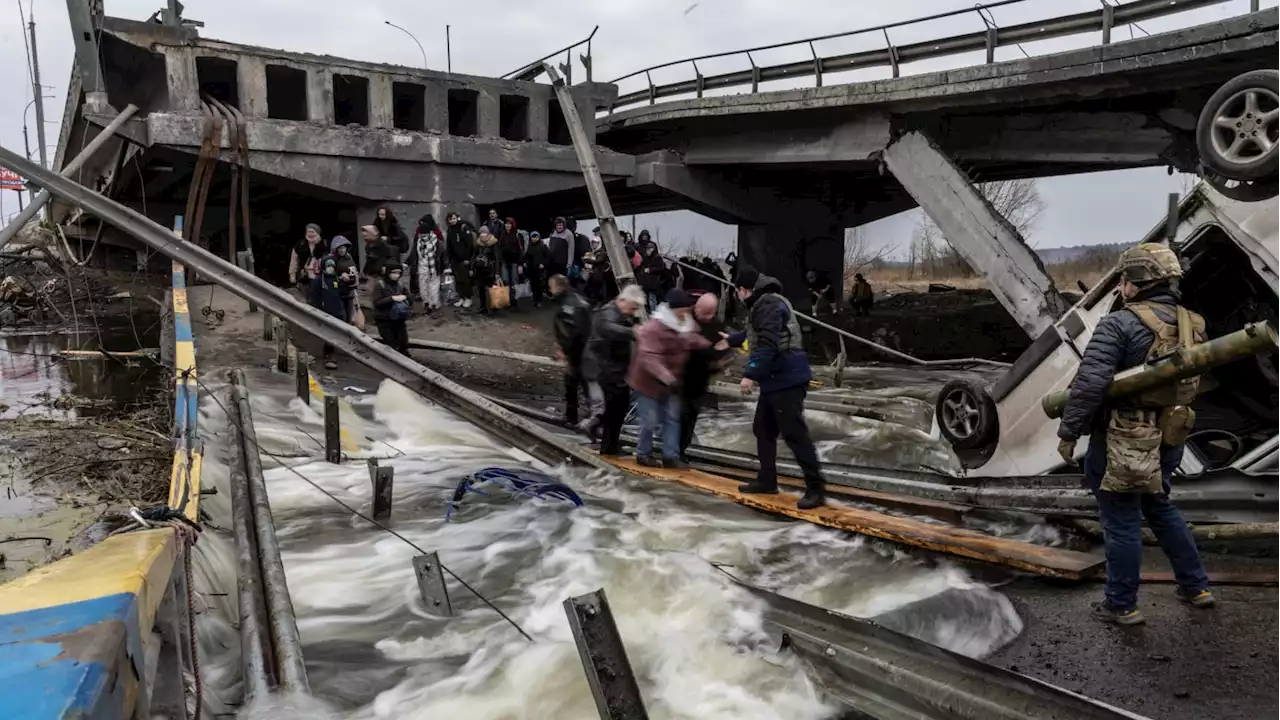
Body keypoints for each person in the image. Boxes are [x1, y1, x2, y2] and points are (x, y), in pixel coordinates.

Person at [1055, 243, 1214, 626]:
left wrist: (1068, 432)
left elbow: (1090, 385)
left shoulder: (1119, 324)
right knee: (1160, 506)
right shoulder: (1194, 323)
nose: (1121, 285)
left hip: (1122, 437)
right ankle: (1197, 587)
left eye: (1125, 278)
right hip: (1170, 434)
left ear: (1138, 282)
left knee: (1121, 519)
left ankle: (1121, 605)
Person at [729, 266, 827, 509]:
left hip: (787, 379)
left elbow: (768, 343)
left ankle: (816, 488)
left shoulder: (768, 305)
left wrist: (750, 374)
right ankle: (767, 480)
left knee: (794, 434)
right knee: (763, 428)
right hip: (776, 379)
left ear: (745, 290)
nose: (738, 296)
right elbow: (756, 332)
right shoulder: (765, 303)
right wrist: (731, 339)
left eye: (738, 291)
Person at [627, 289, 711, 468]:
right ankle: (643, 454)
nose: (686, 313)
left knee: (673, 418)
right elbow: (649, 357)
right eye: (683, 309)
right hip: (648, 383)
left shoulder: (685, 325)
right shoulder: (654, 328)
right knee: (649, 420)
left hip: (671, 382)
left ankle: (670, 456)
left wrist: (712, 347)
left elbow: (692, 339)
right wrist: (667, 378)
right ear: (673, 309)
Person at [584, 285, 645, 455]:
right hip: (605, 369)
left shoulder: (621, 314)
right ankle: (607, 445)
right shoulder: (608, 313)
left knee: (620, 407)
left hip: (615, 369)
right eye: (633, 308)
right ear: (623, 301)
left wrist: (635, 320)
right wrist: (633, 332)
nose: (633, 312)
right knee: (614, 409)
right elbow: (610, 329)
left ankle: (608, 439)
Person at [680, 293, 731, 460]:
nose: (708, 317)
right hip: (681, 377)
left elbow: (724, 347)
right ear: (697, 308)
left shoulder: (715, 324)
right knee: (679, 417)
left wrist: (722, 359)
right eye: (705, 313)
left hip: (701, 378)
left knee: (691, 417)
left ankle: (682, 450)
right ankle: (673, 453)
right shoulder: (685, 320)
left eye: (712, 313)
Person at [550, 274, 593, 425]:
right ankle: (582, 415)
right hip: (585, 349)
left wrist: (565, 351)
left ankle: (575, 416)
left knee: (575, 384)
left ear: (558, 286)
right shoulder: (578, 298)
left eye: (552, 286)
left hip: (577, 352)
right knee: (581, 384)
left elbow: (573, 332)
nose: (550, 290)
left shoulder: (568, 305)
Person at [309, 257, 346, 370]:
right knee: (328, 334)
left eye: (332, 266)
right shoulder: (319, 280)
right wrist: (317, 310)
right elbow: (314, 297)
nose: (330, 268)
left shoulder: (336, 279)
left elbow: (342, 293)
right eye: (328, 266)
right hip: (325, 311)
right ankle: (329, 356)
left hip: (337, 311)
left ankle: (331, 354)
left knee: (336, 334)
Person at [372, 263, 411, 355]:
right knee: (391, 346)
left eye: (398, 273)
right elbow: (377, 303)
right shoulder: (380, 285)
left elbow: (410, 298)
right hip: (384, 320)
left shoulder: (400, 285)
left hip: (399, 319)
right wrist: (392, 298)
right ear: (388, 273)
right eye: (394, 273)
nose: (396, 275)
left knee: (403, 343)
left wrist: (404, 297)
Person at [414, 216, 447, 314]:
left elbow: (443, 254)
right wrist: (407, 263)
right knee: (423, 289)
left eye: (425, 234)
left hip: (434, 269)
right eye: (422, 234)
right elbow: (414, 254)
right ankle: (426, 303)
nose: (423, 236)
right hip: (422, 268)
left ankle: (434, 305)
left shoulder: (437, 242)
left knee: (434, 288)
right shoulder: (418, 242)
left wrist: (446, 267)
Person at [446, 212, 477, 309]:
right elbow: (449, 246)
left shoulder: (464, 228)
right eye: (450, 219)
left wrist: (468, 258)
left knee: (465, 280)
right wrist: (449, 259)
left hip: (464, 260)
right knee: (458, 280)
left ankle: (468, 298)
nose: (452, 220)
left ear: (457, 218)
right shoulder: (450, 230)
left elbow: (469, 244)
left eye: (454, 218)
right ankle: (461, 297)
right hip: (454, 260)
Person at [326, 236, 359, 323]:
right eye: (339, 248)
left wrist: (350, 279)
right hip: (337, 292)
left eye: (343, 247)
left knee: (349, 316)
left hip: (349, 291)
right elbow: (328, 276)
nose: (342, 250)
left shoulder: (349, 258)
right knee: (341, 315)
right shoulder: (331, 260)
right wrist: (340, 278)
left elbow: (354, 273)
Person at [289, 223, 328, 293]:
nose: (310, 234)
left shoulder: (325, 244)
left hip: (320, 277)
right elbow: (294, 261)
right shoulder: (300, 245)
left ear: (318, 233)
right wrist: (292, 275)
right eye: (308, 232)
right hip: (304, 277)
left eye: (312, 232)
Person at [473, 226, 500, 315]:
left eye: (484, 234)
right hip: (480, 270)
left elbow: (497, 258)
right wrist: (472, 267)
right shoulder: (478, 244)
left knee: (492, 289)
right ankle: (483, 307)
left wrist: (497, 272)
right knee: (480, 289)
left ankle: (494, 307)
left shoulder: (493, 243)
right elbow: (474, 256)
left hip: (490, 269)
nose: (482, 236)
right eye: (481, 234)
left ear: (488, 234)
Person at [498, 217, 524, 307]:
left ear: (512, 225)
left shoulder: (517, 235)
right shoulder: (502, 234)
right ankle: (507, 300)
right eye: (506, 223)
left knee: (514, 281)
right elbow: (500, 248)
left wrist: (520, 264)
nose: (507, 225)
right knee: (505, 281)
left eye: (509, 224)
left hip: (514, 262)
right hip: (505, 261)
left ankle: (514, 300)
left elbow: (521, 250)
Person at [637, 238, 667, 312]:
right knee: (646, 299)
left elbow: (661, 268)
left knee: (652, 299)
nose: (649, 250)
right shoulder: (646, 258)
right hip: (646, 283)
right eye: (648, 249)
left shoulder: (657, 258)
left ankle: (654, 314)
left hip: (653, 282)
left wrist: (650, 270)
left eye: (651, 249)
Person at [524, 232, 549, 308]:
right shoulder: (530, 246)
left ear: (539, 237)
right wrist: (524, 262)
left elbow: (547, 257)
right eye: (533, 237)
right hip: (531, 269)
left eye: (536, 237)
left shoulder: (543, 246)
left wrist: (543, 264)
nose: (534, 238)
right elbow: (527, 256)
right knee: (533, 285)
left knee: (539, 286)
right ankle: (535, 300)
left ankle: (539, 300)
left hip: (539, 269)